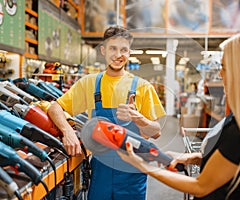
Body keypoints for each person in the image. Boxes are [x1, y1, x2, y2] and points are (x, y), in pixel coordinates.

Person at [118, 29, 240, 200]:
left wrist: (143, 166)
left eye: (224, 67)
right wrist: (192, 158)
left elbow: (200, 187)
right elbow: (232, 161)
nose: (220, 73)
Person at [47, 26, 166, 200]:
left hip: (133, 172)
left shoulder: (142, 87)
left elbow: (155, 132)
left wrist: (139, 119)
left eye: (124, 50)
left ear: (129, 53)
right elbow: (54, 108)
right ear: (103, 50)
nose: (119, 55)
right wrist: (67, 132)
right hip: (101, 171)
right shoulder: (89, 83)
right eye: (113, 48)